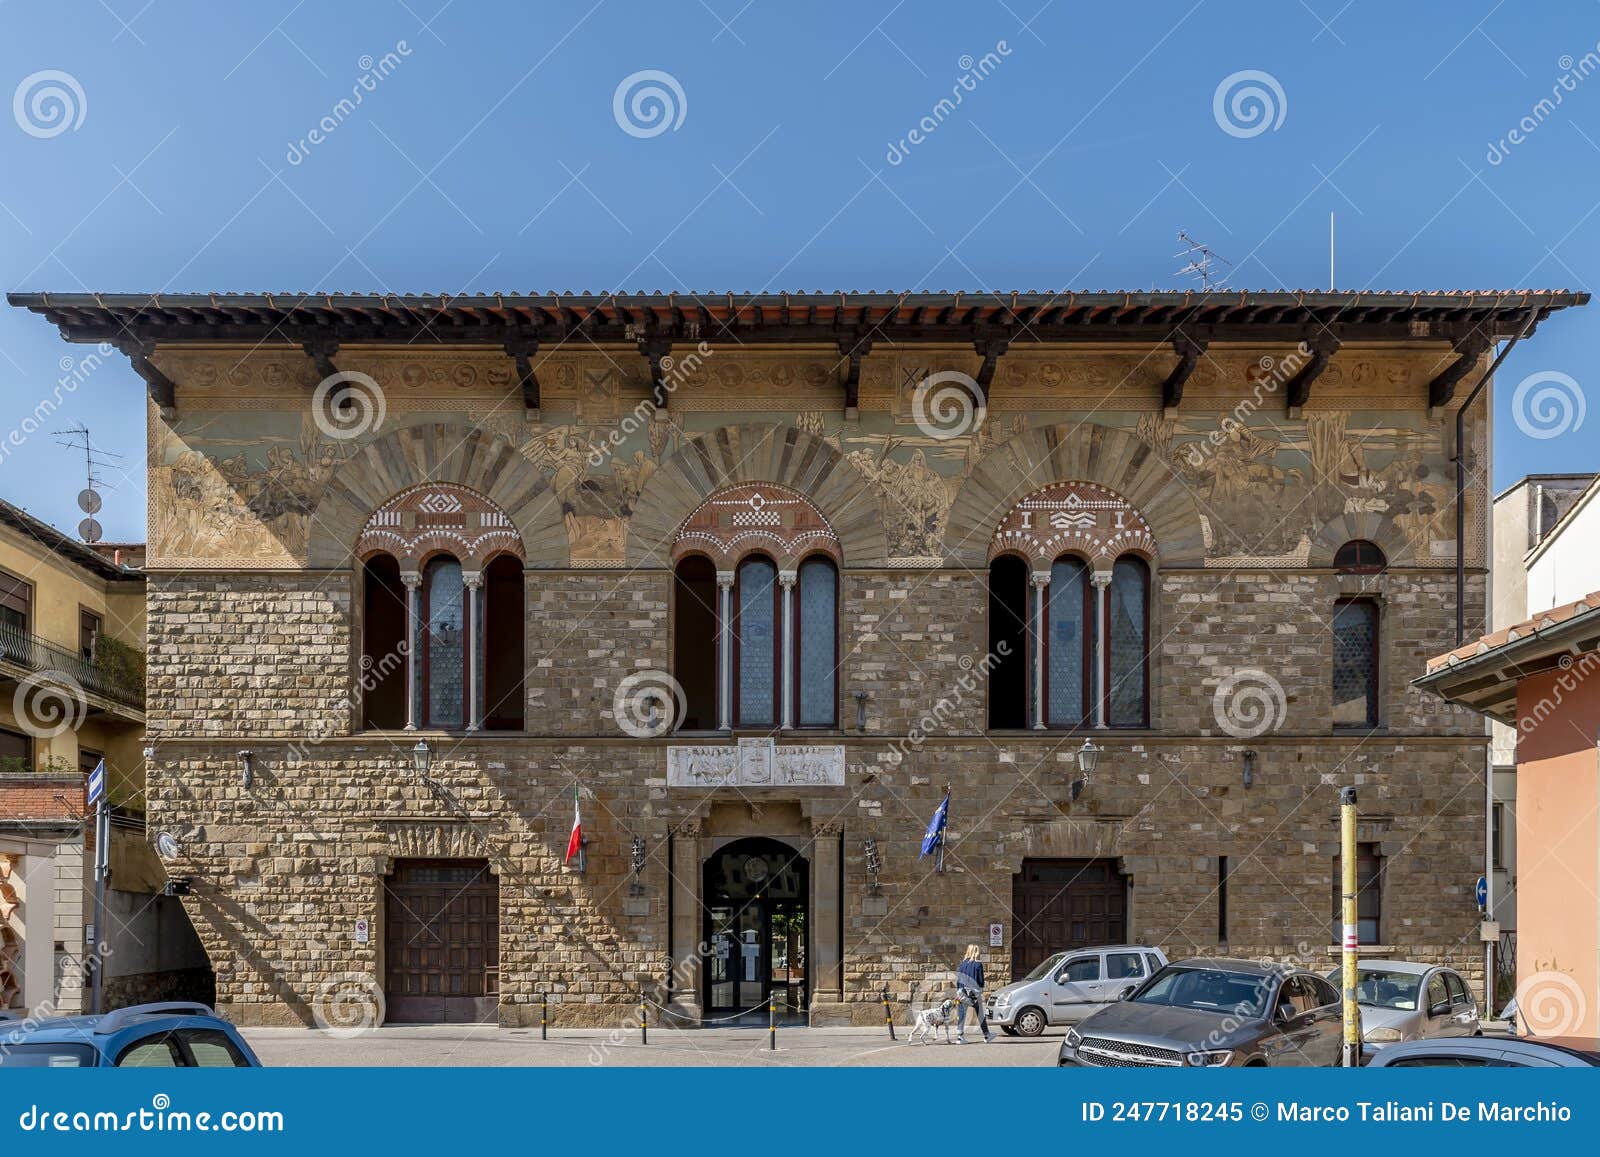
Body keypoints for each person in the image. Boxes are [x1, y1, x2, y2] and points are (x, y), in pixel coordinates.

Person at [954, 944, 994, 1043]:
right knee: (980, 1014)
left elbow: (958, 979)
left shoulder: (962, 964)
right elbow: (980, 981)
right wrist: (981, 988)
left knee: (961, 1014)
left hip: (962, 992)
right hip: (973, 993)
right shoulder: (978, 964)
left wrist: (959, 991)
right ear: (976, 952)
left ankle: (960, 1037)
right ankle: (986, 1035)